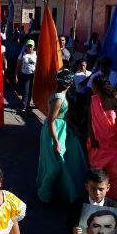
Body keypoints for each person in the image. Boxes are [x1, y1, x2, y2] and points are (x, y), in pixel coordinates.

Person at [36, 69, 87, 205]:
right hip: (53, 132)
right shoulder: (58, 98)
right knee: (56, 165)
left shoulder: (62, 95)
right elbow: (51, 120)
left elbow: (62, 116)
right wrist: (56, 142)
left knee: (60, 163)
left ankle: (53, 191)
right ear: (70, 84)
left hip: (61, 130)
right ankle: (43, 194)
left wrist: (74, 127)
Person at [87, 75, 117, 203]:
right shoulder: (94, 99)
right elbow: (90, 119)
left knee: (116, 175)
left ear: (98, 87)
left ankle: (115, 202)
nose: (91, 88)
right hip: (98, 144)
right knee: (98, 175)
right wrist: (92, 139)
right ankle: (96, 200)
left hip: (115, 145)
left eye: (93, 85)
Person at [15, 40, 37, 112]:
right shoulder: (22, 54)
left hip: (33, 75)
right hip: (25, 75)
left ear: (34, 46)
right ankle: (23, 106)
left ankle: (27, 105)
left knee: (31, 91)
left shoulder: (36, 54)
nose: (29, 47)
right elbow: (18, 66)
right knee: (25, 91)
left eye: (31, 46)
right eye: (28, 46)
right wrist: (15, 75)